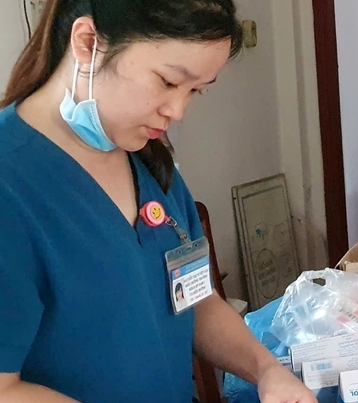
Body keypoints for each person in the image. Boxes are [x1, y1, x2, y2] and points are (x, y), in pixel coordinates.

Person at [0, 1, 317, 403]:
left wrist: (267, 370)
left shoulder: (148, 163)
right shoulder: (12, 186)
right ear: (87, 42)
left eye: (195, 91)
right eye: (168, 82)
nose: (177, 110)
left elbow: (196, 299)